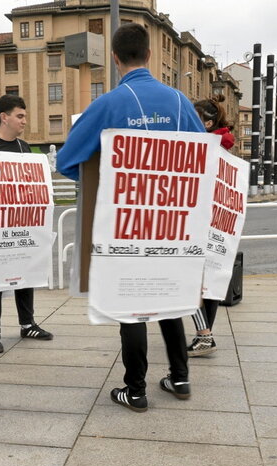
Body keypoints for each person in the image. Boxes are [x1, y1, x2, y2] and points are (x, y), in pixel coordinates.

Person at [57, 23, 205, 412]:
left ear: (115, 58)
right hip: (172, 222)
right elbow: (203, 160)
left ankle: (135, 390)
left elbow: (67, 160)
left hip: (125, 221)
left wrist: (104, 185)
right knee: (171, 297)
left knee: (132, 303)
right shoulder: (179, 102)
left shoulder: (107, 104)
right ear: (151, 56)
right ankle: (180, 377)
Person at [0, 94, 54, 353]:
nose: (24, 121)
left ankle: (27, 323)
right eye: (19, 116)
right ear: (4, 117)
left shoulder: (24, 148)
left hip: (22, 222)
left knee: (26, 270)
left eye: (24, 116)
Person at [187, 94, 235, 357]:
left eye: (193, 119)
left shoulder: (208, 147)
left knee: (192, 281)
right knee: (209, 282)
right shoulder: (223, 144)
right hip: (218, 223)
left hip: (203, 221)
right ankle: (205, 333)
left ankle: (204, 335)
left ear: (207, 123)